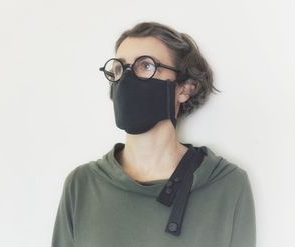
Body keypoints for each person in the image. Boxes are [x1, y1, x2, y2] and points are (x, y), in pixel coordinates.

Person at [51, 22, 256, 247]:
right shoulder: (82, 186)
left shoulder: (226, 186)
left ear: (185, 88)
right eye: (119, 68)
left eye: (146, 66)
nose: (127, 79)